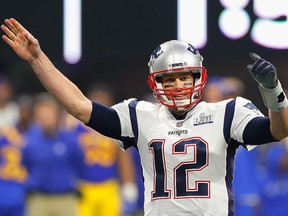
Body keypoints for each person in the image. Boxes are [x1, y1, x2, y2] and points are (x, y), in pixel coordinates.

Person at [2, 18, 288, 216]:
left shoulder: (226, 112)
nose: (178, 86)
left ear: (199, 78)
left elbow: (278, 130)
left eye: (185, 78)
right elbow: (79, 106)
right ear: (156, 83)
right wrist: (38, 60)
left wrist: (272, 90)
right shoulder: (140, 115)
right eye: (169, 79)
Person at [63, 84, 138, 216]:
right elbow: (66, 155)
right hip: (83, 187)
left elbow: (124, 157)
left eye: (103, 102)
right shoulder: (73, 126)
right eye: (96, 102)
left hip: (108, 186)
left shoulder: (115, 126)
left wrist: (129, 186)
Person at [22, 92, 83, 216]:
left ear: (58, 114)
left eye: (49, 111)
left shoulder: (70, 140)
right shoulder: (29, 141)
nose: (45, 115)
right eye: (41, 111)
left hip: (65, 198)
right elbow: (26, 164)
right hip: (38, 198)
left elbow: (79, 164)